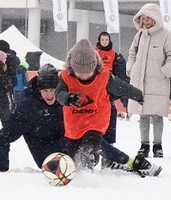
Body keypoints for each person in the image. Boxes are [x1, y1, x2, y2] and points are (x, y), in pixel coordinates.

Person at [55, 39, 161, 177]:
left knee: (90, 145)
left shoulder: (104, 76)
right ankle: (72, 172)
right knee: (71, 151)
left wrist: (139, 95)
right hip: (74, 122)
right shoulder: (66, 77)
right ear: (72, 68)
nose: (84, 75)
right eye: (79, 72)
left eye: (88, 72)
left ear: (95, 66)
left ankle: (88, 172)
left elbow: (122, 87)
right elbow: (59, 93)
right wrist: (68, 98)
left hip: (96, 119)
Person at [0, 64, 64, 172]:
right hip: (48, 156)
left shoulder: (65, 102)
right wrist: (0, 167)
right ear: (39, 90)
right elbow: (3, 137)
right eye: (45, 91)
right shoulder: (29, 107)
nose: (49, 94)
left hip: (69, 149)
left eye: (52, 90)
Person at [127, 3, 171, 158]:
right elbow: (132, 53)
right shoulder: (139, 35)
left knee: (157, 115)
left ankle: (158, 145)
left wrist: (164, 72)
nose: (146, 20)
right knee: (142, 114)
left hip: (158, 82)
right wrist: (131, 67)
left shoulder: (167, 36)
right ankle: (144, 145)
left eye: (148, 17)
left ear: (155, 18)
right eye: (143, 17)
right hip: (140, 82)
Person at [94, 31, 121, 143]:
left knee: (111, 111)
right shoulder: (94, 52)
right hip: (96, 85)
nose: (104, 42)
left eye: (106, 40)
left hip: (108, 85)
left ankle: (109, 140)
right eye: (102, 40)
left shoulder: (114, 54)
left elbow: (117, 72)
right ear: (99, 40)